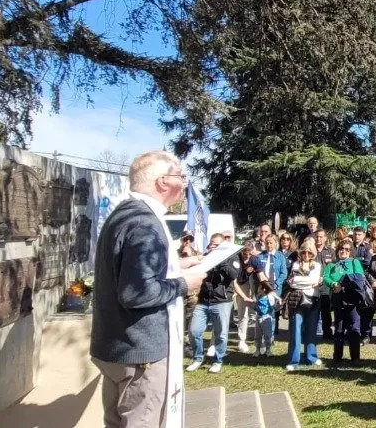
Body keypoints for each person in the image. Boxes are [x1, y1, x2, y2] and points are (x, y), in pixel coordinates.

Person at [90, 150, 205, 428]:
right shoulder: (144, 223)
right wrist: (183, 283)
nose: (185, 184)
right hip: (140, 354)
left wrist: (176, 264)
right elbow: (136, 293)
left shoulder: (125, 214)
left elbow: (130, 272)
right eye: (181, 177)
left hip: (119, 347)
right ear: (163, 182)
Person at [186, 233, 239, 374]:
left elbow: (234, 275)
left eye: (216, 245)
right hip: (203, 300)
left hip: (221, 301)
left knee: (221, 333)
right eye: (211, 244)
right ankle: (198, 358)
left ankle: (218, 360)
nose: (212, 247)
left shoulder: (231, 258)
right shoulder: (205, 257)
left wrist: (220, 262)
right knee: (194, 331)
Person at [324, 240, 365, 364]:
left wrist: (343, 281)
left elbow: (359, 278)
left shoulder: (355, 262)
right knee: (339, 329)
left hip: (352, 299)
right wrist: (334, 283)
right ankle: (337, 357)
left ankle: (355, 357)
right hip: (338, 297)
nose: (344, 251)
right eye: (341, 248)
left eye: (347, 249)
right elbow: (326, 278)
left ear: (351, 251)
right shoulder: (331, 265)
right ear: (337, 250)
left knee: (354, 328)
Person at [285, 241, 323, 371]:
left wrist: (299, 281)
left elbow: (314, 280)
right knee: (296, 330)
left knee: (311, 330)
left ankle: (311, 357)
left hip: (313, 300)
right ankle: (294, 360)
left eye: (309, 252)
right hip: (297, 301)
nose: (306, 254)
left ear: (313, 253)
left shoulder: (317, 265)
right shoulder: (295, 264)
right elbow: (292, 283)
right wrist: (307, 282)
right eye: (304, 252)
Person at [233, 243, 257, 353]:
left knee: (249, 314)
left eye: (249, 254)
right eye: (245, 254)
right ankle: (241, 340)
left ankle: (248, 339)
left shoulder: (255, 259)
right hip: (237, 285)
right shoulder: (236, 259)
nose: (247, 256)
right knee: (238, 314)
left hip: (250, 286)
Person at [313, 229, 335, 340]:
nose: (319, 239)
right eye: (317, 236)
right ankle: (312, 332)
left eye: (321, 236)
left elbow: (334, 268)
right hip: (313, 285)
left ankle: (327, 332)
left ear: (325, 238)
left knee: (326, 311)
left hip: (326, 285)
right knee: (312, 309)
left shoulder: (331, 251)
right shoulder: (310, 251)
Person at [254, 280, 281, 356]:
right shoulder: (258, 296)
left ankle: (268, 350)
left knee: (268, 335)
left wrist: (278, 304)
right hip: (258, 317)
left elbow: (275, 308)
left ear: (264, 289)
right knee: (257, 335)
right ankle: (257, 350)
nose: (258, 288)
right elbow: (256, 306)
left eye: (260, 287)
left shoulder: (270, 297)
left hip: (267, 318)